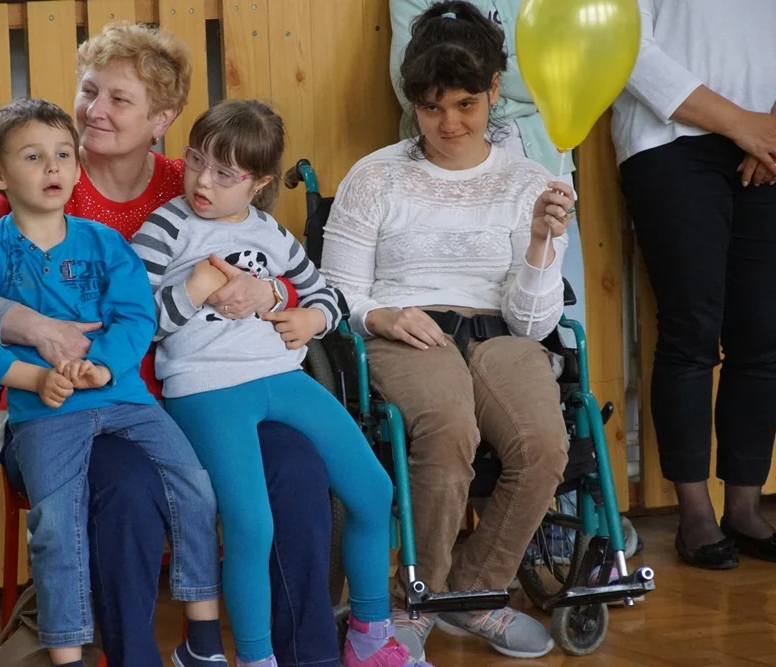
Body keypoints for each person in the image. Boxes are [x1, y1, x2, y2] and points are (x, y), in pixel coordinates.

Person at [0, 22, 340, 667]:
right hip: (68, 409)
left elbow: (271, 262)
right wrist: (37, 327)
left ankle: (306, 657)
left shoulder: (195, 180)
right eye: (89, 90)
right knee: (129, 485)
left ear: (162, 119)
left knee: (298, 467)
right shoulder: (44, 182)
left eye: (119, 99)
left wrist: (275, 295)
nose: (94, 109)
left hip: (202, 399)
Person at [321, 1, 574, 659]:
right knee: (448, 425)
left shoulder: (529, 181)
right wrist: (381, 315)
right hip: (404, 328)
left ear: (494, 90)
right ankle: (418, 599)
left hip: (502, 334)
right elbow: (336, 289)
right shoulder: (375, 175)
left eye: (466, 104)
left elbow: (533, 322)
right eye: (431, 108)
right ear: (414, 102)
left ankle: (476, 592)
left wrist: (542, 243)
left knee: (544, 442)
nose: (450, 124)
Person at [134, 99, 428, 667]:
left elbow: (327, 295)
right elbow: (135, 322)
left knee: (374, 491)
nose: (203, 182)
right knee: (251, 525)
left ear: (260, 183)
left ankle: (370, 637)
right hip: (206, 389)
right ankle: (257, 657)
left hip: (281, 376)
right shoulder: (167, 226)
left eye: (226, 174)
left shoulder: (269, 231)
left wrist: (311, 318)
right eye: (196, 161)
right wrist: (194, 289)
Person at [0, 99, 223, 667]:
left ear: (76, 167)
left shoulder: (104, 242)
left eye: (63, 155)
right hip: (45, 415)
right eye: (32, 157)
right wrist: (36, 376)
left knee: (194, 485)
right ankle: (68, 656)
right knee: (57, 526)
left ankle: (203, 639)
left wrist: (103, 366)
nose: (52, 167)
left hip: (126, 400)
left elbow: (136, 317)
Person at [612, 0, 776, 568]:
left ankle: (745, 510)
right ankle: (695, 515)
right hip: (669, 139)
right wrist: (742, 125)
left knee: (763, 331)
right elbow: (627, 44)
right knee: (691, 329)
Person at [390, 0, 586, 340]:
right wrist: (492, 91)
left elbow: (568, 72)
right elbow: (410, 82)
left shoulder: (534, 175)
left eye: (469, 100)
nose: (454, 113)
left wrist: (480, 86)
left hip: (543, 159)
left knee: (555, 307)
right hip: (445, 166)